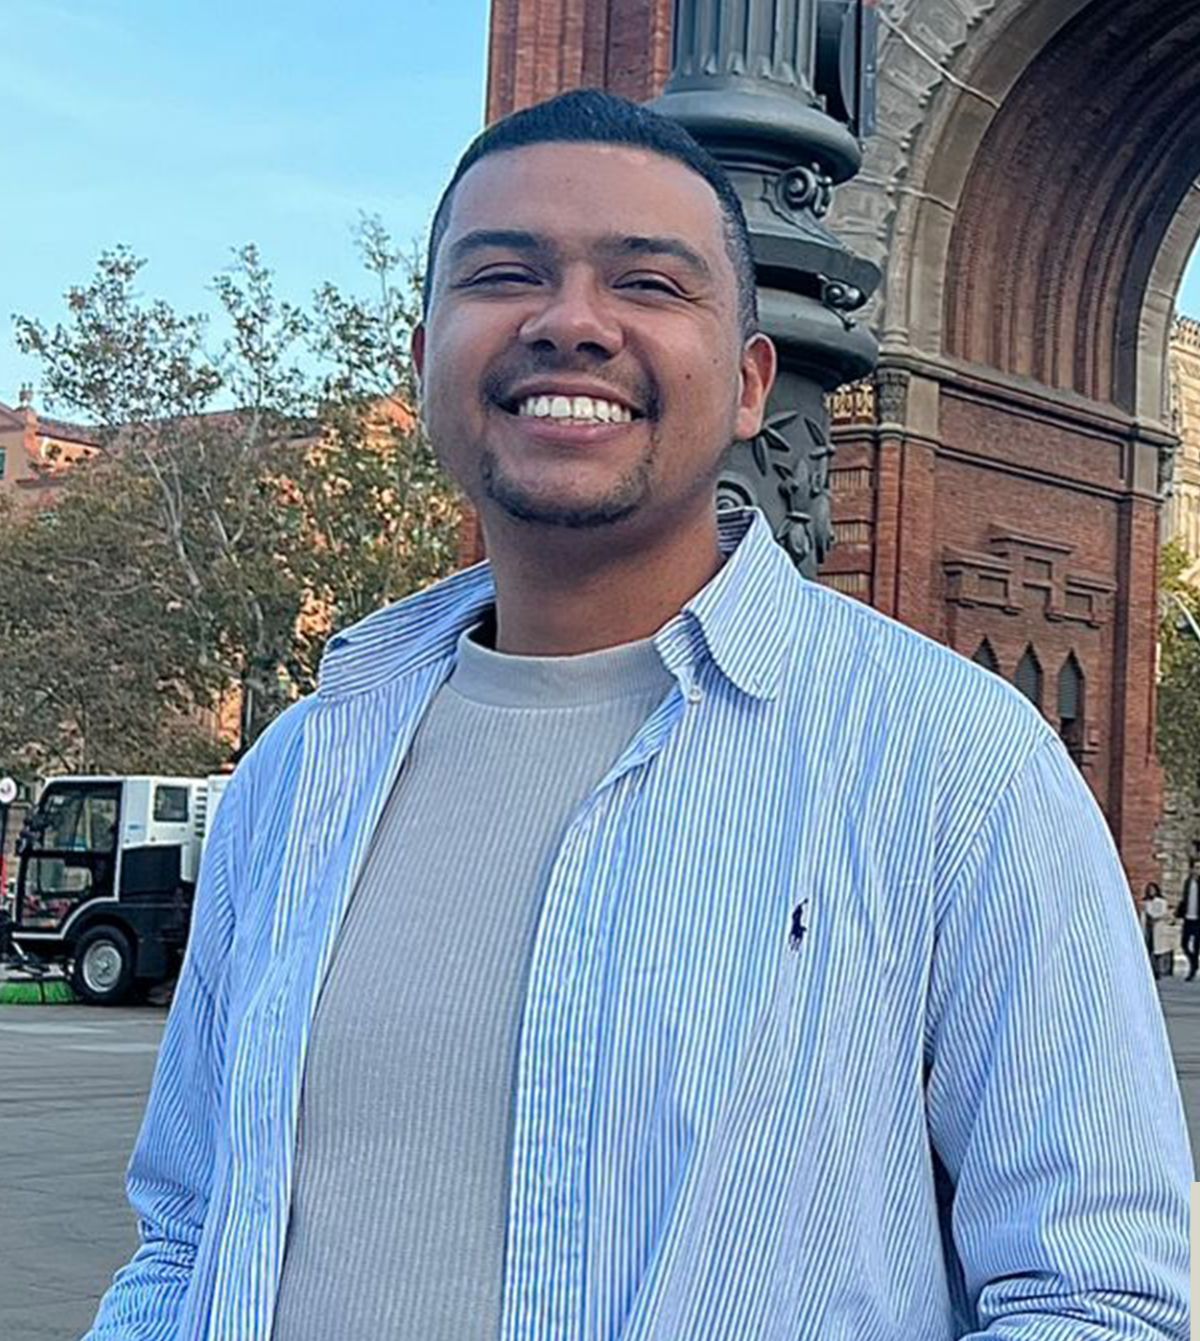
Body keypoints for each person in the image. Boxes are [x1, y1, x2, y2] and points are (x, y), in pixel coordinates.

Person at [84, 90, 1191, 1341]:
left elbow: (1099, 1299)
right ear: (425, 359)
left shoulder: (953, 769)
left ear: (751, 383)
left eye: (649, 284)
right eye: (505, 274)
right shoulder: (301, 768)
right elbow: (186, 1236)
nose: (570, 322)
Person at [1175, 856, 1200, 981]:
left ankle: (1192, 970)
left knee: (1196, 946)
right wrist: (1178, 913)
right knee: (1184, 944)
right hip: (1188, 918)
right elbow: (1184, 899)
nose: (1197, 870)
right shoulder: (1187, 882)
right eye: (1195, 868)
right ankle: (1194, 962)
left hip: (1198, 920)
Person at [1143, 881, 1168, 978]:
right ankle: (1151, 969)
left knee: (1157, 950)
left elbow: (1163, 913)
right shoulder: (1146, 902)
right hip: (1148, 928)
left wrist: (1155, 918)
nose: (1151, 892)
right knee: (1149, 949)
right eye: (1149, 890)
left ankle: (1157, 970)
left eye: (1153, 890)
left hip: (1158, 927)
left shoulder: (1161, 902)